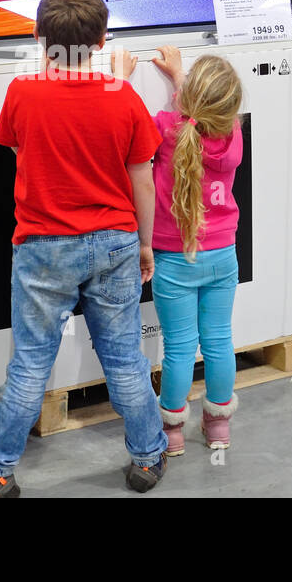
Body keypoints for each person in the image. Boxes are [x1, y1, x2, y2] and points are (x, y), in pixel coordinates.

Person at [0, 0, 169, 497]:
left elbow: (15, 146)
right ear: (102, 40)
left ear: (38, 36)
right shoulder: (123, 98)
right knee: (124, 357)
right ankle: (147, 458)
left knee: (31, 360)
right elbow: (142, 178)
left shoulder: (22, 92)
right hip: (116, 241)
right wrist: (145, 244)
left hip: (43, 246)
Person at [111, 45, 244, 455]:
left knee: (180, 348)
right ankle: (218, 427)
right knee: (219, 341)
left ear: (186, 101)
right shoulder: (233, 135)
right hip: (223, 256)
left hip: (173, 260)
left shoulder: (166, 128)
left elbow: (128, 121)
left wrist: (121, 79)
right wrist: (183, 78)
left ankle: (171, 431)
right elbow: (207, 111)